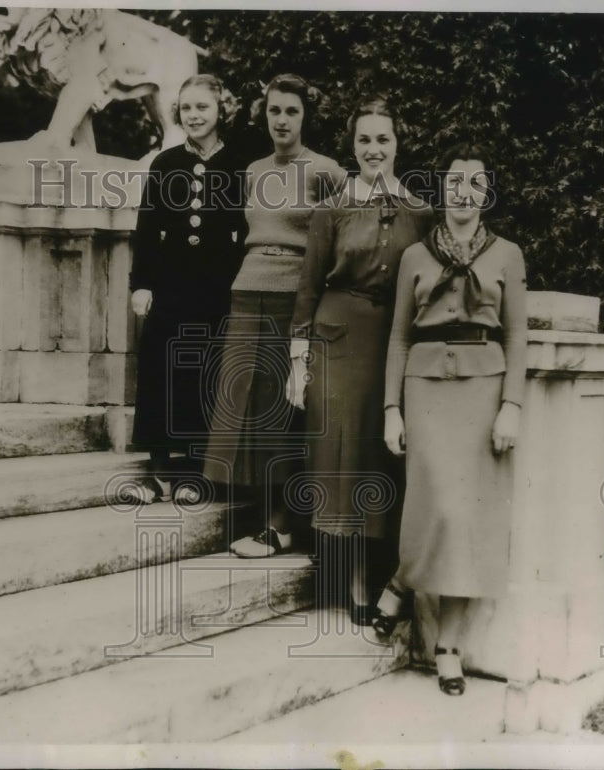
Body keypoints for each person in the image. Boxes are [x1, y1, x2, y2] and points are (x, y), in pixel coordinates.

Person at [376, 142, 527, 695]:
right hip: (425, 387)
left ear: (486, 194)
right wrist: (391, 408)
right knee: (433, 503)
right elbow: (397, 335)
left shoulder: (507, 253)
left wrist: (511, 404)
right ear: (442, 191)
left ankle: (449, 648)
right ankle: (401, 577)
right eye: (454, 182)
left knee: (468, 517)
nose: (463, 193)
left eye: (475, 183)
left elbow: (517, 334)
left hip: (484, 389)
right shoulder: (417, 257)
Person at [285, 98, 433, 624]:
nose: (374, 149)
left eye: (384, 140)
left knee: (379, 453)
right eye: (365, 140)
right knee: (339, 451)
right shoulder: (333, 206)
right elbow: (307, 287)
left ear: (398, 145)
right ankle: (349, 581)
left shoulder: (419, 211)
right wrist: (298, 361)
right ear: (353, 146)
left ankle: (380, 570)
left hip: (391, 340)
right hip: (336, 335)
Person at [203, 74, 347, 557]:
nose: (281, 120)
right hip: (247, 291)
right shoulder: (253, 170)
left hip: (295, 297)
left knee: (287, 410)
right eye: (273, 111)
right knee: (248, 404)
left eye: (291, 111)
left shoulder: (326, 171)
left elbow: (344, 235)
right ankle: (263, 513)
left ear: (305, 117)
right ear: (262, 115)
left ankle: (282, 524)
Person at [125, 74, 246, 504]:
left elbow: (245, 230)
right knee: (161, 368)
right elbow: (146, 229)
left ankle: (196, 474)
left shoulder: (239, 165)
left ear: (221, 112)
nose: (194, 115)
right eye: (187, 108)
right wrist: (141, 285)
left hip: (216, 288)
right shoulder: (165, 164)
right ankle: (156, 473)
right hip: (170, 287)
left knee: (204, 373)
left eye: (203, 108)